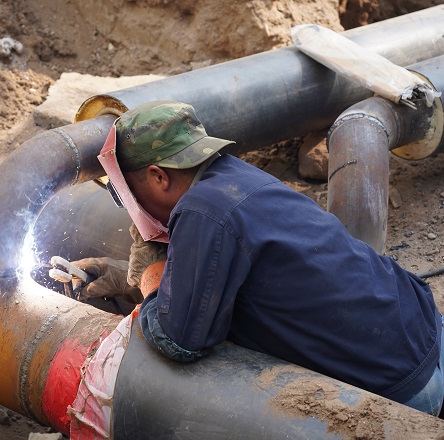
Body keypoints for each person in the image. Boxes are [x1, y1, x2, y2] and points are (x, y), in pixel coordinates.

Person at [73, 100, 444, 416]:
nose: (130, 207)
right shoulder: (236, 176)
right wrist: (123, 275)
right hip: (426, 335)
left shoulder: (202, 210)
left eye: (126, 195)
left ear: (158, 177)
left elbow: (178, 341)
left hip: (400, 394)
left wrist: (150, 279)